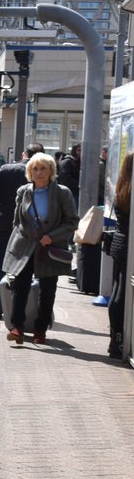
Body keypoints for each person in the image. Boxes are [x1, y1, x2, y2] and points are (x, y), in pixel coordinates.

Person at [2, 152, 80, 345]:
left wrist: (51, 236)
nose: (39, 172)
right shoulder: (23, 191)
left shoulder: (62, 192)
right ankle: (17, 327)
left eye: (43, 168)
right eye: (35, 169)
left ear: (51, 170)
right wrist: (25, 232)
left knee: (47, 290)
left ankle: (40, 329)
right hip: (25, 245)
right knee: (20, 286)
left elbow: (72, 222)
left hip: (49, 247)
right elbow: (16, 221)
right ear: (29, 171)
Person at [0, 142, 45, 319]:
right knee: (28, 266)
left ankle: (0, 302)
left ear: (24, 154)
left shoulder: (7, 169)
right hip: (34, 229)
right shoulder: (43, 174)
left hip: (5, 223)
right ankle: (23, 307)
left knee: (2, 263)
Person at [106, 152, 131, 359]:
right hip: (129, 247)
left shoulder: (122, 190)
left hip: (119, 245)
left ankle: (115, 338)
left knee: (117, 291)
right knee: (122, 294)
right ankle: (119, 341)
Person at [58, 142, 81, 207]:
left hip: (77, 192)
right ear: (74, 151)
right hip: (69, 192)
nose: (80, 153)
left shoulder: (79, 161)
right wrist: (79, 184)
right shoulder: (66, 162)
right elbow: (66, 179)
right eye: (78, 150)